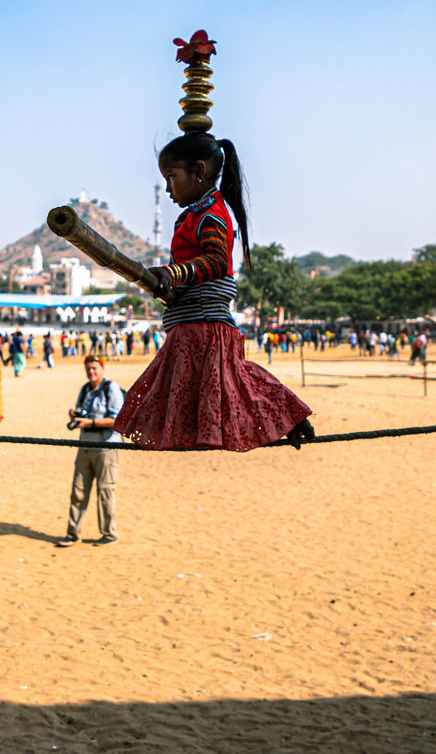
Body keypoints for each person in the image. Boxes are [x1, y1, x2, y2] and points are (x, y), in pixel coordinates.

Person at [113, 126, 313, 451]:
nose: (168, 188)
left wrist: (172, 273)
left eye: (172, 176)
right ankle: (288, 417)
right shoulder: (193, 216)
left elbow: (217, 261)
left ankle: (290, 417)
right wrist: (169, 286)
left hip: (204, 328)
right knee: (233, 383)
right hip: (192, 324)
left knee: (235, 385)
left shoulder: (210, 214)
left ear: (199, 172)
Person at [55, 356, 124, 547]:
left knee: (105, 492)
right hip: (85, 447)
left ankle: (109, 535)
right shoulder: (85, 389)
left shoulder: (112, 389)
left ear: (102, 368)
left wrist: (90, 423)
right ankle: (73, 534)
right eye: (88, 369)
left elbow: (116, 420)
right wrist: (75, 415)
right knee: (78, 492)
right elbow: (82, 411)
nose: (91, 372)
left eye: (94, 368)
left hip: (106, 448)